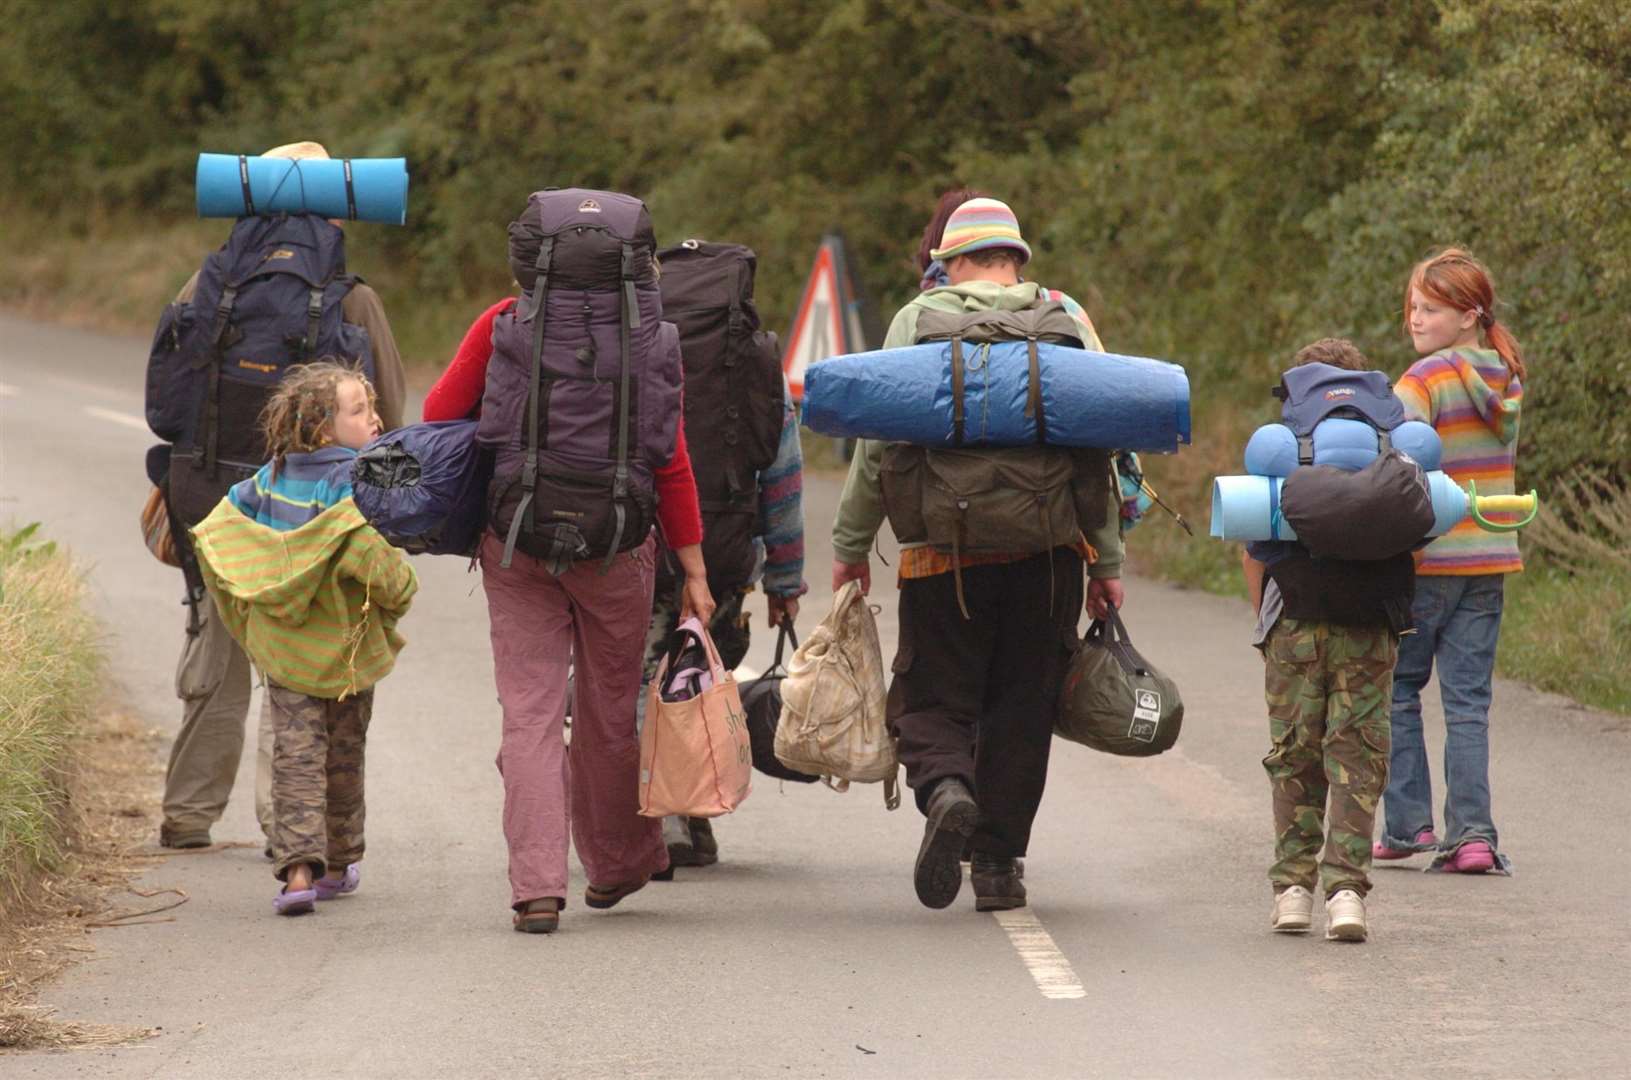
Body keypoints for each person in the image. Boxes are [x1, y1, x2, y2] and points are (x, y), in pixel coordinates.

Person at [421, 190, 714, 934]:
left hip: (517, 541)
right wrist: (697, 570)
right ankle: (616, 866)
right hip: (618, 547)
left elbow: (435, 416)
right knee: (610, 716)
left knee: (529, 715)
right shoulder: (653, 339)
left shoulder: (503, 323)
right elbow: (669, 460)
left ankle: (536, 887)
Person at [831, 196, 1124, 912]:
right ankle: (996, 867)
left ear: (949, 260)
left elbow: (876, 449)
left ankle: (946, 790)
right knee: (1022, 706)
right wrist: (1105, 564)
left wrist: (847, 547)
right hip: (1048, 552)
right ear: (1014, 257)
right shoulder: (1063, 321)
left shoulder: (915, 319)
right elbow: (1100, 453)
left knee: (933, 696)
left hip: (941, 556)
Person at [155, 140, 407, 853]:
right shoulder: (354, 298)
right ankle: (287, 829)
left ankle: (188, 813)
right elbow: (388, 417)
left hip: (212, 495)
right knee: (297, 661)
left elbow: (167, 403)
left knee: (219, 648)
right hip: (320, 508)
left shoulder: (205, 285)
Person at [187, 361, 417, 916]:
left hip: (286, 652)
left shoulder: (268, 479)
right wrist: (401, 590)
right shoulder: (354, 484)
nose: (375, 418)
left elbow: (222, 529)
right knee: (342, 757)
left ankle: (296, 875)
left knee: (295, 757)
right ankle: (337, 866)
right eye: (360, 410)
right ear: (323, 429)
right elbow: (380, 570)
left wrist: (250, 591)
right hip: (343, 652)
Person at [1240, 338, 1414, 942]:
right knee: (1359, 758)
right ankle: (1347, 894)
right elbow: (1417, 534)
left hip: (1296, 624)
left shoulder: (1290, 447)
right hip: (1371, 626)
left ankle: (1292, 889)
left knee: (1293, 755)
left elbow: (1256, 550)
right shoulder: (1391, 443)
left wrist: (1265, 622)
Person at [1375, 249, 1524, 874]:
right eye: (1413, 306)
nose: (1415, 317)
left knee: (1397, 690)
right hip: (1490, 556)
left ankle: (1408, 824)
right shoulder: (1507, 377)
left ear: (1468, 315)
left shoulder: (1424, 379)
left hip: (1427, 561)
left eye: (1430, 308)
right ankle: (1473, 837)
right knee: (1468, 703)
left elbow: (1401, 469)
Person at [642, 374, 806, 873]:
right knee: (700, 679)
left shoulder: (633, 338)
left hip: (637, 544)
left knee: (641, 678)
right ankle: (686, 812)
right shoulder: (755, 359)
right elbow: (783, 478)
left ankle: (660, 815)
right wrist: (785, 577)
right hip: (727, 556)